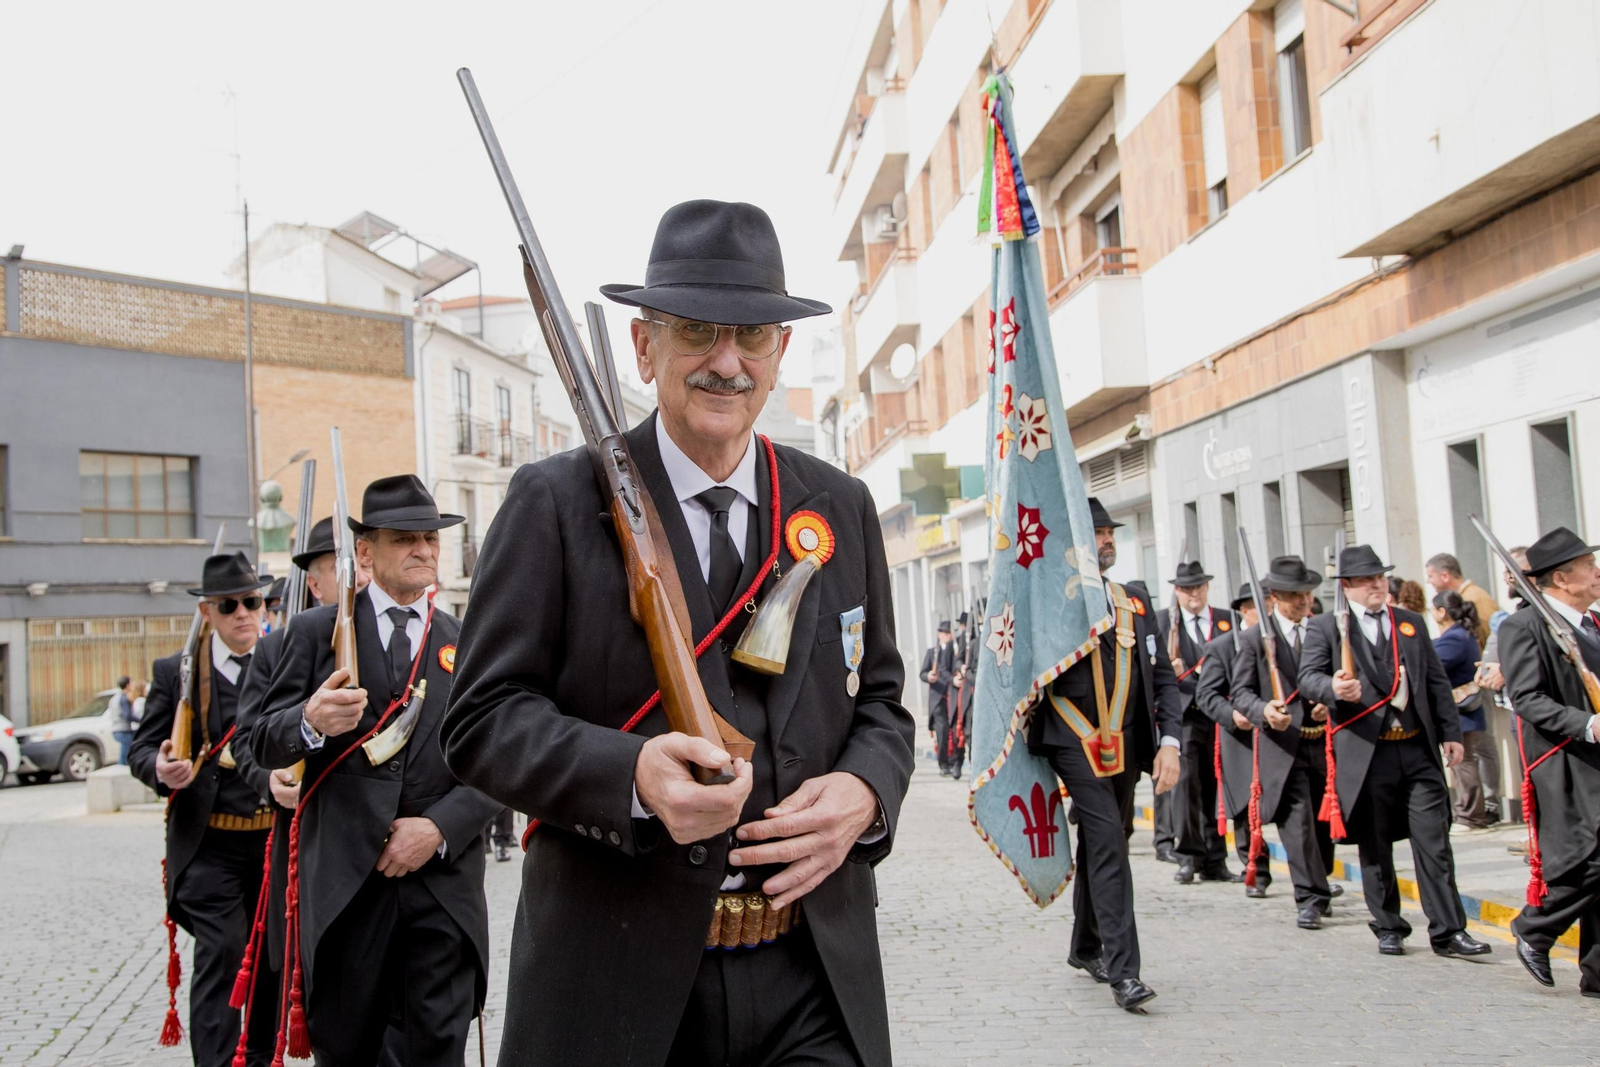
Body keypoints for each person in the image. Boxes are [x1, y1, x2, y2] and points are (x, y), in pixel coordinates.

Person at [439, 200, 915, 1066]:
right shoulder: (551, 503)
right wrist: (630, 775)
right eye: (697, 332)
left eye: (753, 335)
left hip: (812, 974)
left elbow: (882, 699)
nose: (727, 362)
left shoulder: (836, 503)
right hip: (615, 985)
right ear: (643, 347)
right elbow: (478, 721)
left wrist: (866, 795)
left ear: (779, 352)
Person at [251, 478, 500, 1066]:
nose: (424, 550)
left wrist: (438, 828)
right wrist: (309, 720)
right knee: (349, 1049)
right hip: (346, 889)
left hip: (440, 889)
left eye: (430, 539)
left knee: (437, 1049)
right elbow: (261, 739)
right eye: (405, 539)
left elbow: (498, 760)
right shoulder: (318, 633)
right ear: (365, 552)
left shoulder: (468, 643)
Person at [1298, 544, 1490, 959]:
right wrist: (1333, 687)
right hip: (1368, 752)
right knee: (1376, 843)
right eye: (1367, 580)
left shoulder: (1409, 622)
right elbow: (1308, 677)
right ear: (1346, 586)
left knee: (1434, 841)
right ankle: (1388, 925)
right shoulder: (1327, 627)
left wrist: (1449, 733)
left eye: (1380, 578)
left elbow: (1435, 681)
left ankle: (1448, 930)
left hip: (1417, 747)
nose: (1377, 585)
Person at [1027, 495, 1181, 1012]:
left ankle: (1085, 946)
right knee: (1110, 842)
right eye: (1097, 533)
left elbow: (1163, 678)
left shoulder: (1134, 600)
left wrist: (1170, 743)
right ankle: (1125, 973)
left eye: (1110, 532)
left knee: (1106, 841)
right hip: (1073, 741)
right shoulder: (1054, 600)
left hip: (1128, 741)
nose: (1107, 539)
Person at [128, 552, 278, 1067]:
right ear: (207, 613)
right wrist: (161, 767)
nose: (244, 613)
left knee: (267, 961)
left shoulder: (283, 660)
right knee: (223, 951)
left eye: (252, 601)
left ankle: (255, 1058)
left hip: (269, 842)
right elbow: (142, 749)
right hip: (208, 843)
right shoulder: (176, 673)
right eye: (229, 605)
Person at [1499, 527, 1600, 996]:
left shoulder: (1593, 624)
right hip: (1565, 759)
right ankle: (1535, 928)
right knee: (1589, 860)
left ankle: (1597, 973)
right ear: (1561, 577)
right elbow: (1527, 698)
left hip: (1595, 759)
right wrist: (1587, 723)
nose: (1596, 572)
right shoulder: (1524, 626)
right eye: (1587, 566)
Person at [1231, 557, 1338, 930]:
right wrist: (1264, 710)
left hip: (1325, 744)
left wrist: (1331, 699)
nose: (1304, 601)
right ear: (1275, 597)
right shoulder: (1254, 639)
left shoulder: (1326, 630)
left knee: (1325, 827)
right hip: (1284, 745)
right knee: (1299, 825)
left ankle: (1320, 880)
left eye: (1308, 594)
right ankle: (1309, 896)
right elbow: (1240, 693)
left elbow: (1340, 676)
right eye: (1295, 596)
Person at [1156, 560, 1239, 885]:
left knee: (1217, 786)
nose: (1194, 594)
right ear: (1177, 591)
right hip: (1184, 715)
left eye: (1199, 587)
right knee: (1186, 788)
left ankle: (1216, 859)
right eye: (1187, 588)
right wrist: (1168, 669)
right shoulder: (1164, 621)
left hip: (1219, 714)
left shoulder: (1225, 620)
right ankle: (1189, 855)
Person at [1194, 583, 1271, 892]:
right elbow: (1207, 695)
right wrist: (1232, 715)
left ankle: (1313, 877)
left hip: (1280, 736)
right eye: (1259, 606)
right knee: (1246, 810)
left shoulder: (1279, 640)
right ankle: (1257, 871)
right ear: (1245, 610)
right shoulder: (1223, 646)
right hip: (1241, 738)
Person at [1431, 591, 1491, 831]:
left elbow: (1434, 665)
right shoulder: (1461, 634)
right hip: (1462, 709)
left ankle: (1470, 815)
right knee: (1462, 761)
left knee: (1463, 762)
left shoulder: (1454, 637)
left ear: (1442, 612)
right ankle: (1468, 813)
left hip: (1461, 709)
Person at [1425, 552, 1497, 648]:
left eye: (1430, 576)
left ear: (1445, 576)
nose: (1428, 581)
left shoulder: (1476, 597)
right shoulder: (1459, 597)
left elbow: (1488, 636)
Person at [920, 622, 957, 776]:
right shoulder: (932, 652)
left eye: (948, 632)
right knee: (941, 732)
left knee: (955, 731)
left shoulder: (955, 651)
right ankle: (944, 763)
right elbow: (922, 673)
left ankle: (955, 762)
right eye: (943, 632)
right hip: (938, 698)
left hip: (953, 695)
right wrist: (929, 676)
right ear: (939, 634)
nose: (945, 635)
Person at [948, 612, 977, 781]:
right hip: (964, 690)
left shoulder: (980, 637)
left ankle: (975, 767)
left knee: (973, 732)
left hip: (977, 690)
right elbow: (957, 661)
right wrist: (962, 669)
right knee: (960, 729)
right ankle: (957, 762)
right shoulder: (962, 640)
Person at [113, 675, 136, 765]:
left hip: (117, 729)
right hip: (123, 729)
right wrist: (142, 720)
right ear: (128, 685)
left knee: (124, 754)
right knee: (127, 755)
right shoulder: (124, 698)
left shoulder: (116, 697)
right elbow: (127, 716)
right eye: (132, 683)